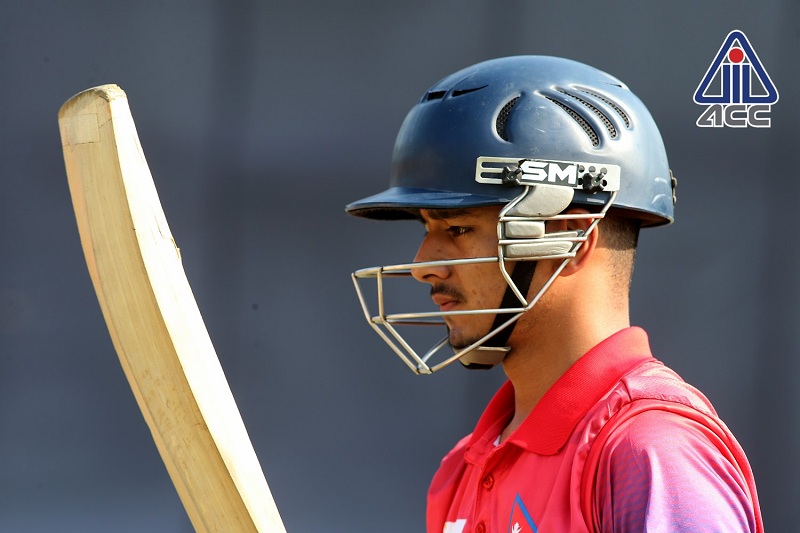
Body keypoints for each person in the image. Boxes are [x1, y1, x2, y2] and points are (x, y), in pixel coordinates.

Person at [346, 56, 762, 532]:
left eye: (457, 228)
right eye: (426, 229)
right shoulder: (461, 466)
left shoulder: (650, 449)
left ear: (570, 238)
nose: (424, 265)